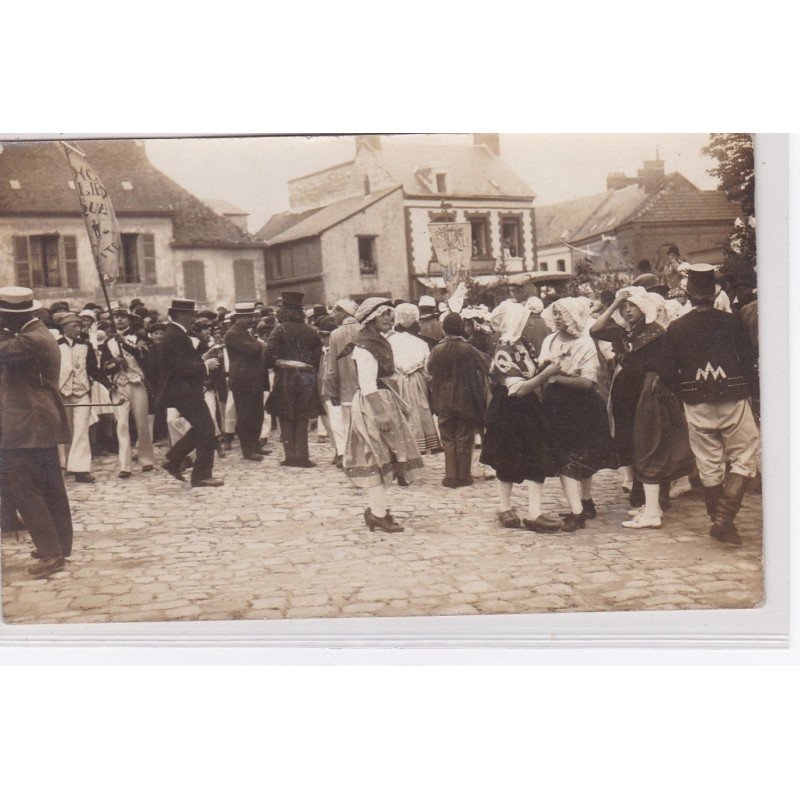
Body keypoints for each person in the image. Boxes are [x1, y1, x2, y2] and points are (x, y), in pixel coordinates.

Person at [656, 264, 760, 545]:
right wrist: (748, 389)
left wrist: (685, 391)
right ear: (715, 295)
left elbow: (665, 369)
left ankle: (720, 520)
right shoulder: (732, 322)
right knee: (744, 457)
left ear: (688, 296)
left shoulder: (676, 327)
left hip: (696, 401)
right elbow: (749, 359)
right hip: (733, 397)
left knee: (709, 463)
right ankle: (724, 520)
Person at [591, 286, 694, 529]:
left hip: (646, 396)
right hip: (625, 395)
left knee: (649, 445)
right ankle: (646, 503)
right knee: (631, 445)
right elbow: (595, 330)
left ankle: (657, 503)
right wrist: (615, 303)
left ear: (644, 308)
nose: (627, 311)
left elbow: (664, 367)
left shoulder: (655, 333)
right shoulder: (622, 332)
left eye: (632, 306)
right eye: (624, 308)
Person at [0, 287, 73, 577]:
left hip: (26, 425)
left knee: (24, 487)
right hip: (37, 423)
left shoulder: (28, 341)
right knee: (50, 485)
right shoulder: (39, 333)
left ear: (13, 317)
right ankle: (60, 544)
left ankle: (51, 553)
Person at [479, 300, 562, 532]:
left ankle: (534, 513)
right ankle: (505, 508)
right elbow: (518, 389)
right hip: (509, 409)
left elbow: (529, 373)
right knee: (506, 460)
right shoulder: (504, 351)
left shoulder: (521, 345)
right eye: (525, 321)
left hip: (527, 408)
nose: (529, 325)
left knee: (537, 456)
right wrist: (546, 373)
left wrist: (543, 365)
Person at [344, 297, 423, 533]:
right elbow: (367, 383)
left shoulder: (376, 341)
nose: (389, 318)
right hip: (374, 403)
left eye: (390, 313)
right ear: (370, 319)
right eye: (383, 315)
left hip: (384, 399)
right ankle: (378, 514)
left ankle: (377, 510)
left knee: (383, 456)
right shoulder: (365, 346)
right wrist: (380, 414)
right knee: (376, 456)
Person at [539, 297, 616, 530]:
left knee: (577, 457)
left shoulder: (584, 343)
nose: (559, 318)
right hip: (555, 404)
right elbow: (542, 367)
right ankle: (582, 504)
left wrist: (554, 377)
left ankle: (580, 508)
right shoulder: (550, 339)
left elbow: (587, 382)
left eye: (563, 314)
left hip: (580, 406)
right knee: (566, 457)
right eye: (557, 314)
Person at [158, 298, 224, 487]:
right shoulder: (175, 335)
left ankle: (173, 460)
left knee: (203, 428)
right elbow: (180, 367)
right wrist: (205, 365)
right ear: (180, 315)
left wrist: (203, 358)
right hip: (183, 390)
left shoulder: (176, 333)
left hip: (183, 390)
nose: (194, 319)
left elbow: (182, 362)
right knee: (206, 429)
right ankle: (201, 475)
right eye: (191, 315)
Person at [427, 312, 490, 488]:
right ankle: (463, 475)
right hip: (466, 400)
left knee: (447, 437)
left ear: (444, 330)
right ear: (461, 329)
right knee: (464, 436)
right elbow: (486, 363)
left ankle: (450, 475)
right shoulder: (468, 348)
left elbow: (430, 369)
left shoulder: (437, 349)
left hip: (443, 400)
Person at [265, 291, 323, 468]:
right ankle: (302, 457)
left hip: (285, 377)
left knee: (285, 414)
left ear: (286, 311)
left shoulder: (279, 330)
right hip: (306, 377)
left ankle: (290, 456)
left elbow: (268, 353)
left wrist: (276, 364)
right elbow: (317, 355)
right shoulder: (312, 331)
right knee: (302, 416)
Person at [100, 307, 155, 479]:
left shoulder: (140, 337)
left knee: (141, 423)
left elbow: (144, 355)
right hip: (119, 386)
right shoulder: (108, 343)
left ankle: (146, 458)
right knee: (121, 424)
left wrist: (124, 343)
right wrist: (115, 363)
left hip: (137, 383)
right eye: (116, 317)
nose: (120, 320)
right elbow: (103, 367)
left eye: (123, 317)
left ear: (129, 319)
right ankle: (125, 465)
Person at [57, 311, 105, 483]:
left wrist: (108, 382)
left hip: (82, 393)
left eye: (79, 326)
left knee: (81, 430)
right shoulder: (55, 345)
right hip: (61, 393)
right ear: (64, 328)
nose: (78, 329)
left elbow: (93, 370)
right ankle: (66, 464)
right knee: (65, 430)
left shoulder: (85, 346)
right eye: (74, 326)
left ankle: (81, 469)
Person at [389, 303, 440, 455]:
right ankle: (421, 442)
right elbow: (427, 370)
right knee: (419, 410)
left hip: (395, 379)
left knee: (399, 410)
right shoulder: (421, 343)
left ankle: (403, 444)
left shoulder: (389, 340)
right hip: (416, 380)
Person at [224, 302, 271, 462]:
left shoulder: (245, 331)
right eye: (249, 316)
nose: (252, 319)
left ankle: (255, 445)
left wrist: (259, 344)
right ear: (239, 318)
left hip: (252, 380)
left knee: (256, 414)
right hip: (243, 382)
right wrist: (260, 344)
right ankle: (248, 450)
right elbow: (253, 349)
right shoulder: (233, 334)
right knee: (246, 416)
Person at [322, 298, 360, 468]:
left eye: (335, 312)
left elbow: (332, 367)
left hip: (344, 389)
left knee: (344, 424)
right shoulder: (364, 330)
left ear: (344, 312)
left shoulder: (336, 334)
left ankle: (346, 456)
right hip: (364, 388)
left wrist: (329, 389)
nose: (333, 315)